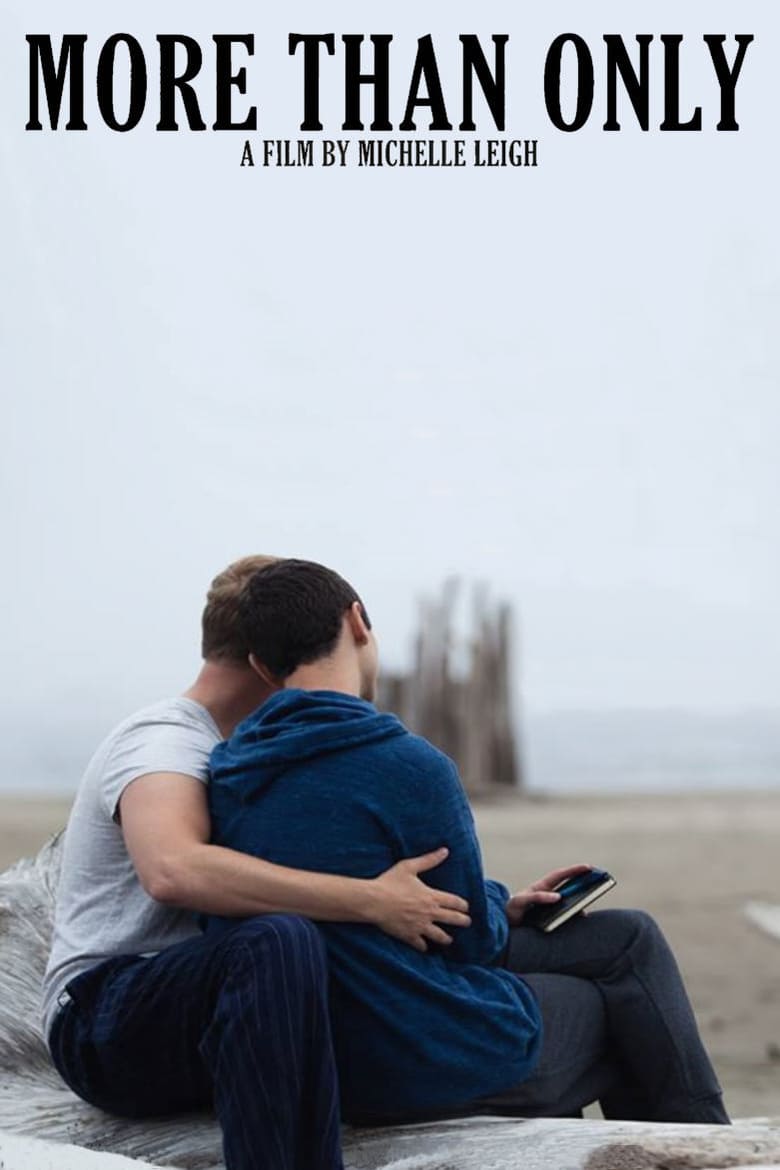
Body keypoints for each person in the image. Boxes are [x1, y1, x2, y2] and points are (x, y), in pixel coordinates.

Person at [208, 558, 730, 1126]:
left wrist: (499, 903)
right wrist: (492, 907)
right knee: (616, 1005)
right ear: (357, 623)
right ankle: (711, 1150)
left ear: (262, 665)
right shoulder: (406, 765)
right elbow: (470, 940)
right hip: (413, 1056)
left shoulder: (226, 772)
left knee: (628, 936)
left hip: (312, 1046)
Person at [42, 555, 472, 1170]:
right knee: (277, 940)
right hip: (103, 1020)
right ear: (268, 656)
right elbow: (172, 871)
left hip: (222, 1000)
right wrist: (370, 900)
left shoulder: (255, 755)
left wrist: (471, 901)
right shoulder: (166, 739)